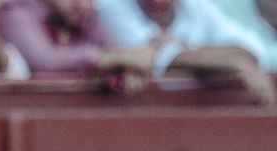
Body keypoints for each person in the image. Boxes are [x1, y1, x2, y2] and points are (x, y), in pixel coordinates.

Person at [96, 0, 275, 100]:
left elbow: (253, 49)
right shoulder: (110, 5)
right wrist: (231, 62)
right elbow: (151, 59)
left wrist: (185, 50)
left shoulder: (195, 5)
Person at [0, 0, 156, 83]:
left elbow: (118, 53)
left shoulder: (85, 15)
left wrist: (125, 69)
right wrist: (105, 60)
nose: (84, 4)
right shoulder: (17, 9)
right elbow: (44, 62)